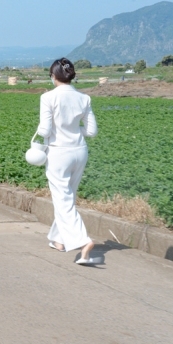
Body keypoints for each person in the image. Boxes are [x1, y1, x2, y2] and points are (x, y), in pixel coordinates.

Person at [37, 58, 99, 264]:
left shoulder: (48, 97)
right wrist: (73, 129)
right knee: (68, 195)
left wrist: (48, 131)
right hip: (79, 151)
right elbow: (91, 131)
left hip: (59, 153)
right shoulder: (84, 98)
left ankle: (83, 242)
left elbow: (45, 130)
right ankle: (58, 240)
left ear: (53, 76)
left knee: (62, 199)